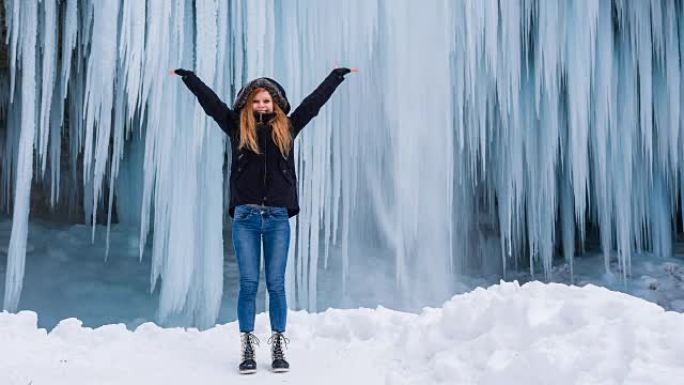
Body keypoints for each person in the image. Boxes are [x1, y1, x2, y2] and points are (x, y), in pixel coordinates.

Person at [172, 66, 354, 374]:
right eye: (256, 101)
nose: (262, 106)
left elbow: (313, 103)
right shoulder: (235, 127)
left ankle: (279, 345)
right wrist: (189, 78)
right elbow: (211, 103)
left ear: (276, 103)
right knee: (247, 284)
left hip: (277, 218)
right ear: (247, 103)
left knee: (276, 284)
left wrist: (336, 77)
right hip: (245, 216)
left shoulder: (289, 127)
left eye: (267, 100)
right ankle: (247, 346)